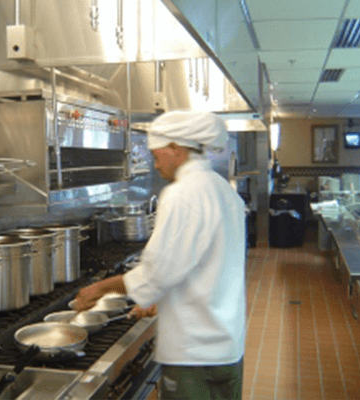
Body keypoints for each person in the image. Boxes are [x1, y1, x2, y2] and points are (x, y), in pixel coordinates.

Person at [73, 110, 246, 400]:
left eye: (156, 156)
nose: (155, 165)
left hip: (193, 354)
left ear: (176, 150)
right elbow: (203, 266)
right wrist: (162, 301)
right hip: (226, 346)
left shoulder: (182, 193)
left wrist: (99, 288)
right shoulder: (224, 191)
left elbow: (157, 272)